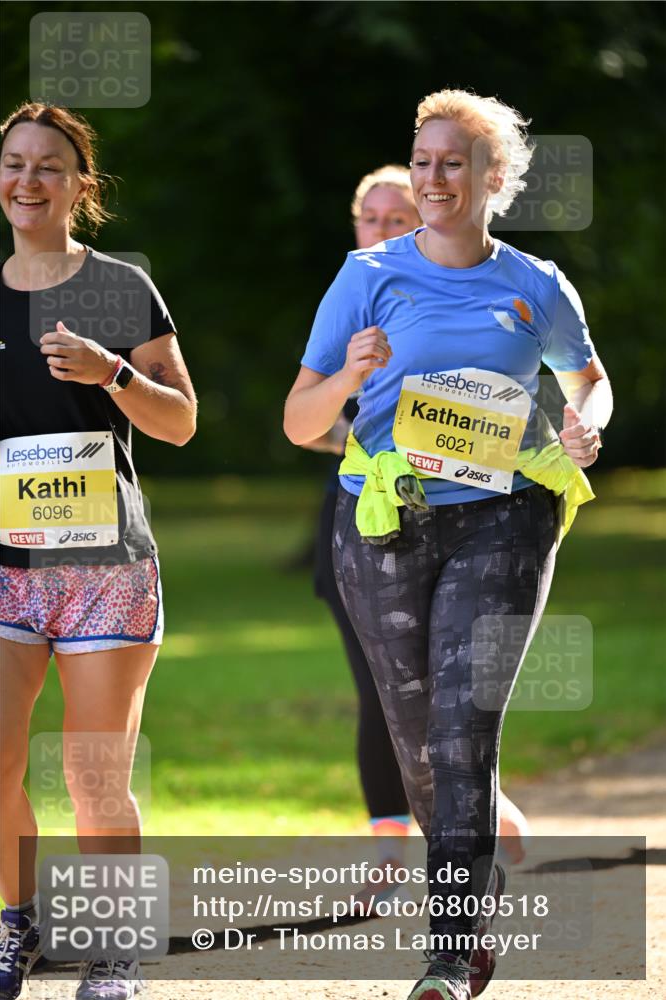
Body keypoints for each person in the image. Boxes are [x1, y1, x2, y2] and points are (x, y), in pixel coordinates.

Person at [285, 88, 611, 1000]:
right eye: (422, 160)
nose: (432, 178)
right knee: (420, 744)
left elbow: (586, 379)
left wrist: (582, 423)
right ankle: (474, 885)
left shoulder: (534, 285)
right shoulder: (366, 278)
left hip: (504, 517)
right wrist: (350, 373)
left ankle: (451, 948)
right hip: (385, 521)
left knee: (465, 733)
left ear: (492, 178)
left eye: (452, 163)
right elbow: (296, 416)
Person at [0, 103, 196, 1000]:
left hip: (103, 570)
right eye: (13, 164)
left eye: (48, 166)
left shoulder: (119, 287)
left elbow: (182, 421)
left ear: (82, 185)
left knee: (92, 774)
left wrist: (112, 373)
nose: (27, 181)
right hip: (6, 566)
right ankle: (20, 920)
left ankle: (113, 947)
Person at [306, 166, 530, 900]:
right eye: (367, 217)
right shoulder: (356, 294)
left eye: (395, 216)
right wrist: (363, 417)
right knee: (385, 692)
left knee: (453, 690)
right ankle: (390, 847)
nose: (380, 229)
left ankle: (474, 821)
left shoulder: (470, 300)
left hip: (471, 518)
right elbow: (306, 419)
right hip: (367, 521)